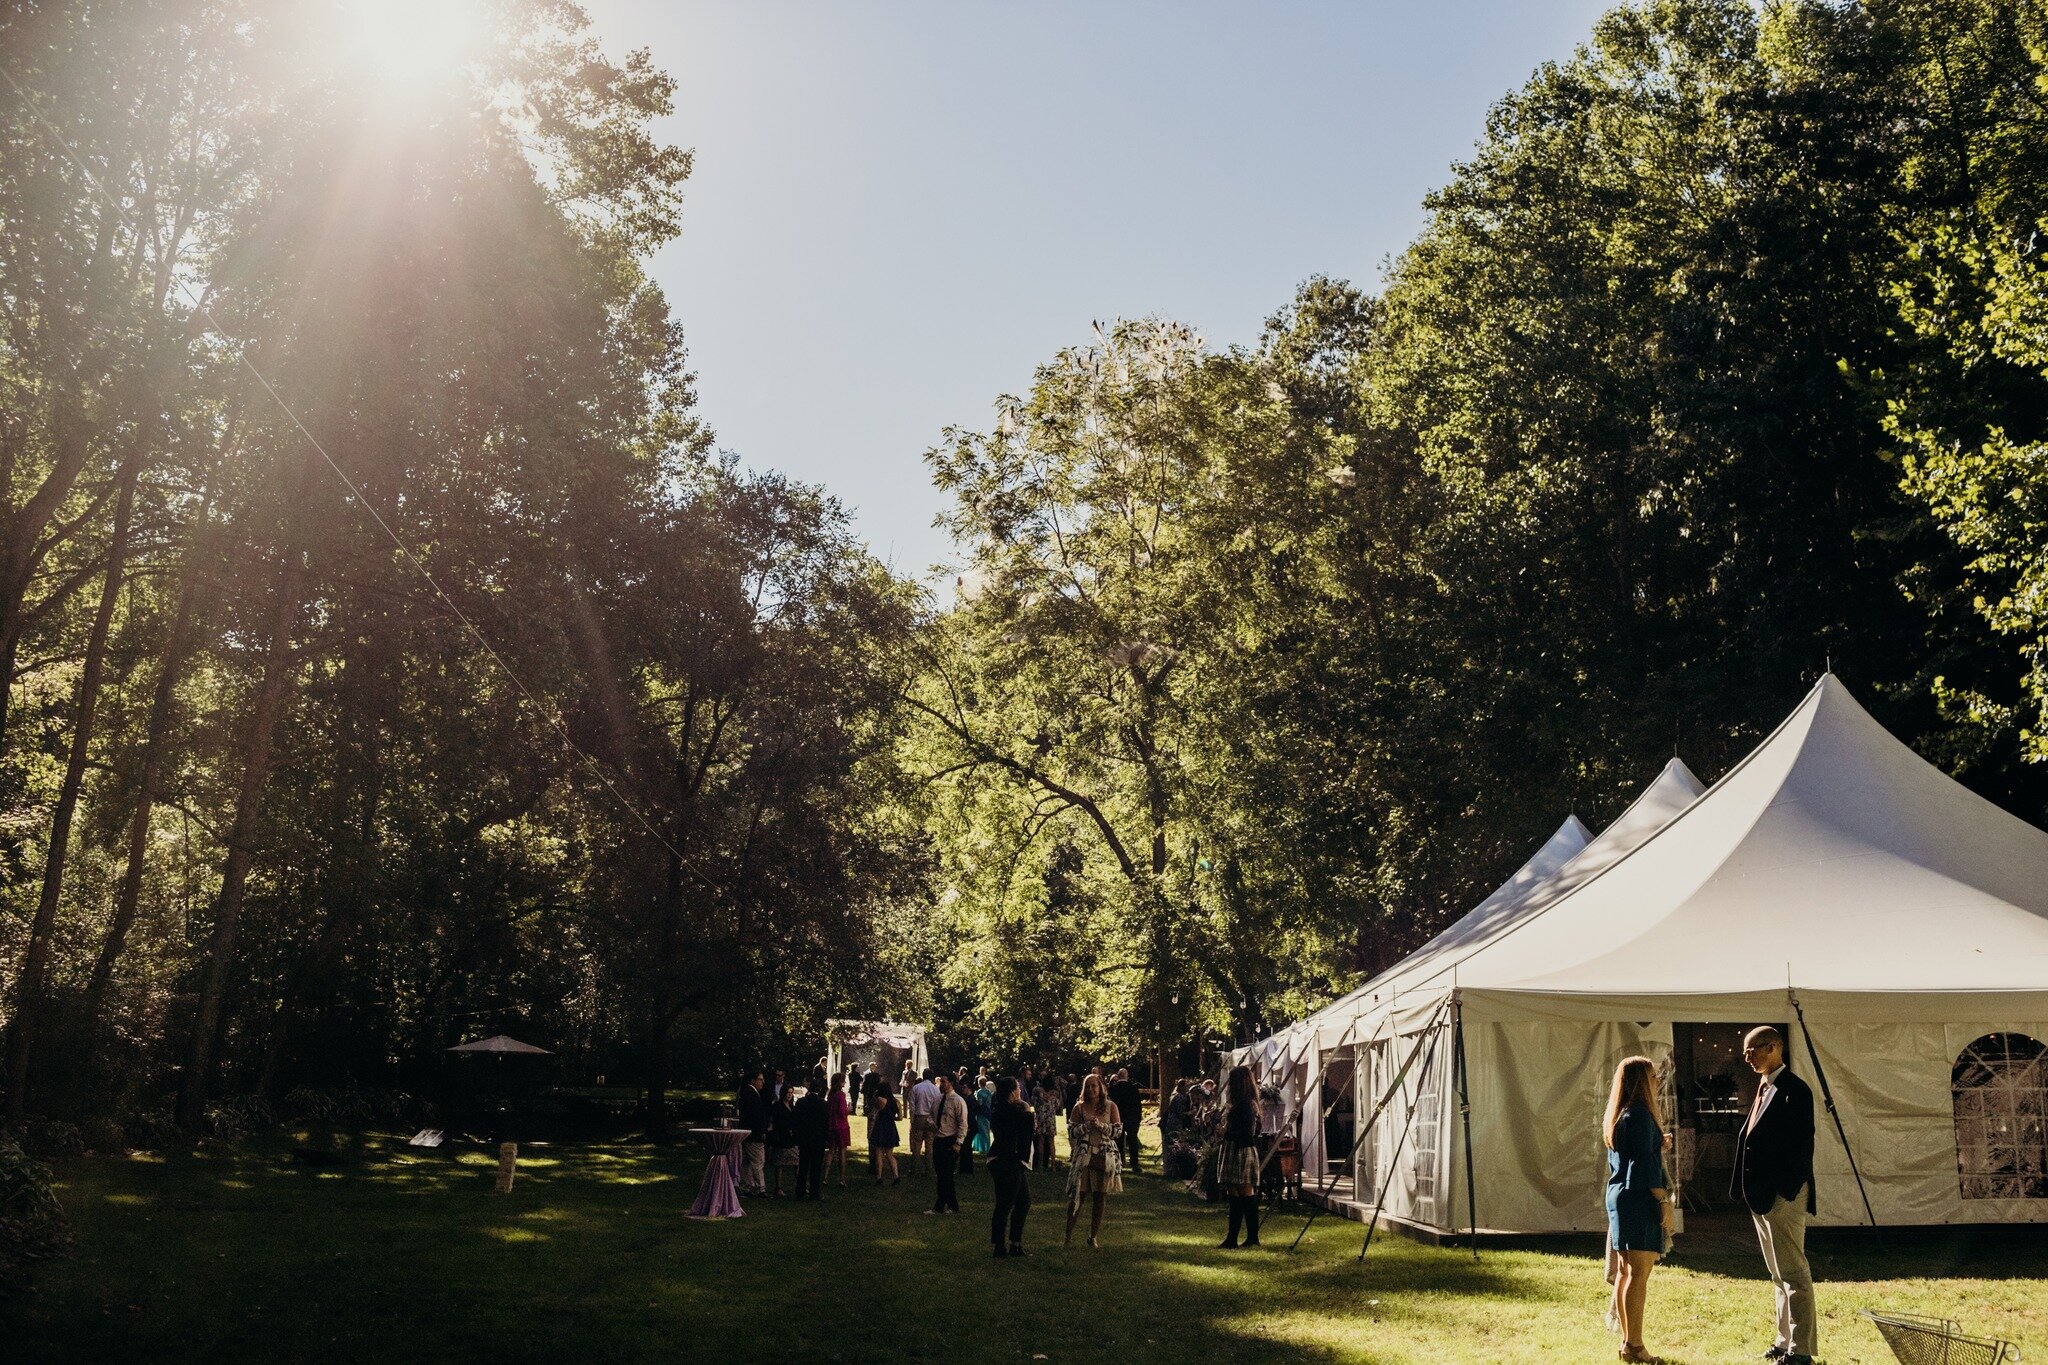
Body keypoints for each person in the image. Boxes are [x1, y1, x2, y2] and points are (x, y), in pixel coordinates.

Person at [1733, 1026, 1817, 1365]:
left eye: (1753, 1050)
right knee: (1777, 1273)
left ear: (1775, 1047)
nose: (1748, 1057)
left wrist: (1786, 1191)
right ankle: (1784, 1342)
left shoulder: (1794, 1090)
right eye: (1745, 1053)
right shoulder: (1763, 1088)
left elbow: (1801, 1145)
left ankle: (1803, 1349)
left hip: (1784, 1196)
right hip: (1762, 1195)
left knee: (1794, 1272)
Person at [1603, 1056, 1673, 1363]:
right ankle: (1635, 1345)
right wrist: (1663, 1202)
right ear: (1642, 1082)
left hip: (1620, 1196)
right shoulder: (1641, 1114)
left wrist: (1657, 1144)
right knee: (1639, 1274)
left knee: (1624, 1272)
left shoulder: (1622, 1114)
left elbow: (1636, 1154)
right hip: (1640, 1197)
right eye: (1653, 1077)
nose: (1657, 1081)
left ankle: (1627, 1343)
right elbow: (1642, 1167)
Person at [1064, 1073, 1124, 1248]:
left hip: (1104, 1157)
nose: (1091, 1089)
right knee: (1078, 1196)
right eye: (1088, 1086)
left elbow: (1117, 1132)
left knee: (1100, 1196)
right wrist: (1086, 1126)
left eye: (1094, 1086)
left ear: (1100, 1088)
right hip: (1084, 1157)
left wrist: (1101, 1126)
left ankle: (1093, 1236)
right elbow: (1071, 1132)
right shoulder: (1079, 1107)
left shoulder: (1110, 1106)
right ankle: (1068, 1237)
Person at [1217, 1065, 1265, 1248]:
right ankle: (1232, 1238)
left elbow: (1248, 1132)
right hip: (1235, 1148)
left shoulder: (1246, 1104)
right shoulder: (1242, 1103)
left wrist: (1226, 1133)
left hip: (1242, 1150)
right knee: (1234, 1193)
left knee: (1245, 1192)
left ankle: (1253, 1237)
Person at [988, 1075, 1035, 1258]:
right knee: (1005, 1204)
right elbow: (1027, 1132)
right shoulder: (1011, 1112)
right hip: (1007, 1161)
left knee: (1023, 1201)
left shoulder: (1000, 1110)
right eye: (1017, 1088)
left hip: (1006, 1160)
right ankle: (1000, 1246)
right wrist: (1026, 1110)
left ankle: (1014, 1243)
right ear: (1012, 1091)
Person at [931, 1073, 968, 1214]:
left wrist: (958, 1143)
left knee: (946, 1174)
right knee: (942, 1174)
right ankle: (953, 1205)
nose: (941, 1084)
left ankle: (939, 1206)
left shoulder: (958, 1101)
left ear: (951, 1083)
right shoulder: (938, 1099)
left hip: (950, 1140)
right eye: (940, 1081)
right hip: (938, 1139)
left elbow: (963, 1123)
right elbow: (932, 1115)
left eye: (944, 1081)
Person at [794, 1070, 831, 1200]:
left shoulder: (801, 1102)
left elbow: (796, 1120)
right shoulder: (823, 1104)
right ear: (820, 1089)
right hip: (818, 1139)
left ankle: (800, 1191)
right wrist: (827, 1138)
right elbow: (826, 1123)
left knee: (803, 1165)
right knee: (816, 1167)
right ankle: (814, 1192)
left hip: (804, 1138)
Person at [736, 1069, 770, 1195]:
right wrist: (761, 1130)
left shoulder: (748, 1093)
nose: (763, 1082)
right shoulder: (751, 1094)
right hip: (754, 1134)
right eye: (760, 1079)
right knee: (758, 1161)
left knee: (747, 1162)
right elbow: (755, 1116)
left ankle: (746, 1185)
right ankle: (760, 1188)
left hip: (747, 1133)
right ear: (753, 1080)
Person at [766, 1082, 800, 1196]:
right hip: (781, 1137)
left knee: (797, 1162)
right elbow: (773, 1122)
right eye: (788, 1092)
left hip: (792, 1138)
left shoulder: (792, 1106)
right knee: (779, 1163)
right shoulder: (777, 1106)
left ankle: (800, 1185)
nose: (789, 1095)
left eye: (791, 1093)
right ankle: (778, 1187)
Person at [1109, 1067, 1144, 1171]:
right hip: (1132, 1118)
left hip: (1118, 1118)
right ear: (1127, 1076)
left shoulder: (1113, 1089)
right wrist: (1138, 1118)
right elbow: (1138, 1105)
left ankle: (1119, 1162)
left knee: (1118, 1140)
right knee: (1133, 1141)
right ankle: (1134, 1164)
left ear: (1118, 1076)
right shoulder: (1133, 1088)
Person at [868, 1078, 902, 1184]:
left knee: (878, 1152)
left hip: (880, 1126)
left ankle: (879, 1177)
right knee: (890, 1154)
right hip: (891, 1127)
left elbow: (873, 1112)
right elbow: (900, 1117)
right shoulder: (896, 1102)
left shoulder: (880, 1100)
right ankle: (896, 1176)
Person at [908, 1069, 941, 1173]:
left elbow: (912, 1105)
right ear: (932, 1077)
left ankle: (915, 1168)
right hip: (931, 1118)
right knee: (929, 1145)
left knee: (917, 1144)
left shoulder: (916, 1088)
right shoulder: (936, 1090)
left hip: (919, 1117)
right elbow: (937, 1106)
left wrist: (912, 1119)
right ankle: (929, 1168)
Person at [827, 1071, 853, 1186]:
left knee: (831, 1151)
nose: (845, 1082)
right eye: (843, 1081)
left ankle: (825, 1177)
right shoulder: (841, 1095)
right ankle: (842, 1178)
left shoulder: (831, 1094)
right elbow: (843, 1112)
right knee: (842, 1152)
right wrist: (849, 1109)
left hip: (831, 1125)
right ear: (840, 1082)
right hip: (841, 1126)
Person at [1032, 1072, 1062, 1171]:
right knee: (1051, 1142)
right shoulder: (1055, 1094)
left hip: (1041, 1118)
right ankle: (1053, 1165)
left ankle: (1040, 1165)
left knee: (1040, 1141)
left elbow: (1034, 1104)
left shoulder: (1039, 1092)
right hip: (1051, 1119)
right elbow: (1057, 1106)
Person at [972, 1075, 995, 1156]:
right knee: (987, 1131)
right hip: (988, 1112)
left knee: (981, 1131)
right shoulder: (989, 1092)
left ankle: (982, 1148)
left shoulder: (979, 1092)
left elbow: (979, 1103)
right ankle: (987, 1147)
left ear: (979, 1083)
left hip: (981, 1113)